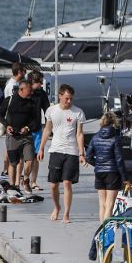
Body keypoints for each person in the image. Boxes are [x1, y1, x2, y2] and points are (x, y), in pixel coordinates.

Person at [37, 84, 86, 222]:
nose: (69, 101)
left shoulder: (78, 112)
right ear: (60, 96)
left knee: (67, 183)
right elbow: (47, 130)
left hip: (71, 151)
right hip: (56, 150)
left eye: (71, 99)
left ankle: (66, 213)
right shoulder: (51, 111)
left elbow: (80, 133)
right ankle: (57, 207)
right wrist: (41, 148)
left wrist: (81, 153)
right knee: (53, 185)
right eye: (66, 98)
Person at [85, 111, 128, 221]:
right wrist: (125, 178)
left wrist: (98, 164)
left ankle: (101, 231)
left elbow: (88, 157)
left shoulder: (95, 137)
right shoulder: (116, 138)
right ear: (114, 123)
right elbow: (119, 160)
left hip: (99, 172)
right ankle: (105, 232)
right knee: (109, 205)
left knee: (102, 205)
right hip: (112, 173)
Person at [2, 80, 41, 189]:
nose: (31, 93)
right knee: (13, 163)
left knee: (30, 159)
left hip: (26, 136)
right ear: (21, 90)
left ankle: (26, 179)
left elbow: (36, 120)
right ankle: (13, 185)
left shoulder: (32, 102)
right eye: (29, 91)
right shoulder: (9, 100)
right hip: (13, 136)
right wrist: (7, 125)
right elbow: (0, 115)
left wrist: (28, 128)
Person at [27, 71, 50, 191]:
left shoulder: (42, 94)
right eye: (39, 82)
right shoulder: (24, 92)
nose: (42, 84)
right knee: (23, 158)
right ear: (32, 82)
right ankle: (20, 180)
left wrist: (48, 127)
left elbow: (47, 111)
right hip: (23, 130)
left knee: (36, 157)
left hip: (36, 129)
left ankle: (33, 182)